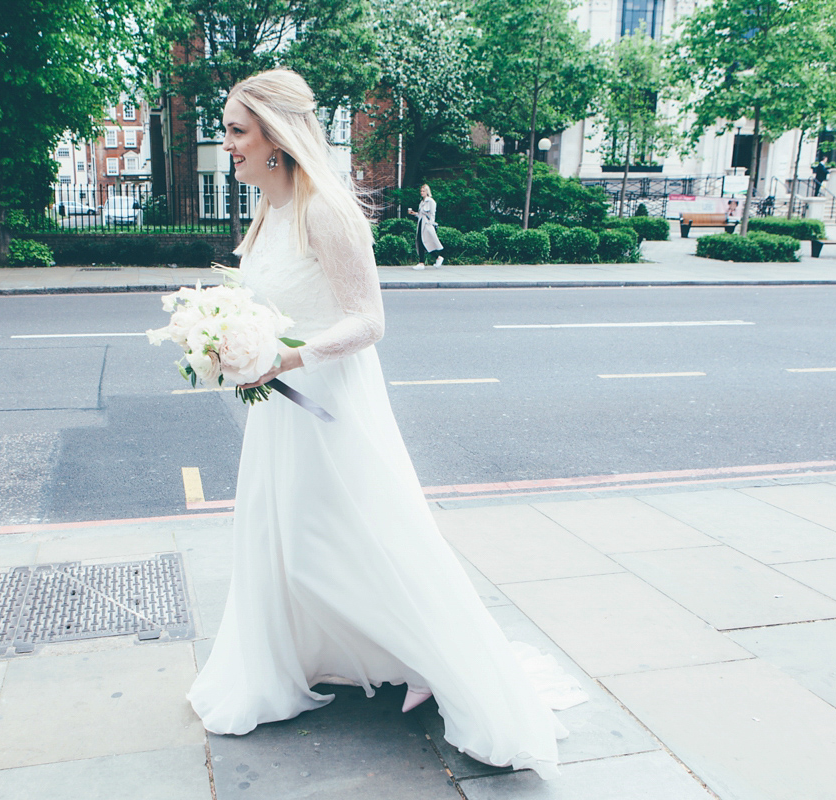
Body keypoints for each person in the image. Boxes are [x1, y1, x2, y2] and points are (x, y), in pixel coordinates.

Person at [185, 68, 586, 779]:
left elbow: (369, 320)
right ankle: (329, 655)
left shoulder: (324, 211)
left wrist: (285, 358)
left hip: (330, 403)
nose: (228, 145)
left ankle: (433, 655)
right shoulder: (267, 215)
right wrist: (226, 342)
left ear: (276, 138)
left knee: (344, 541)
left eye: (237, 131)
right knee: (282, 540)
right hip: (282, 414)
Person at [408, 184, 444, 269]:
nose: (421, 192)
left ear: (427, 192)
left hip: (426, 224)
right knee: (421, 242)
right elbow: (421, 214)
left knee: (425, 242)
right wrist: (414, 213)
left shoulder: (431, 201)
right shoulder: (422, 202)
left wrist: (430, 223)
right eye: (421, 191)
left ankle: (435, 258)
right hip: (421, 223)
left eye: (423, 191)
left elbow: (432, 214)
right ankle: (423, 262)